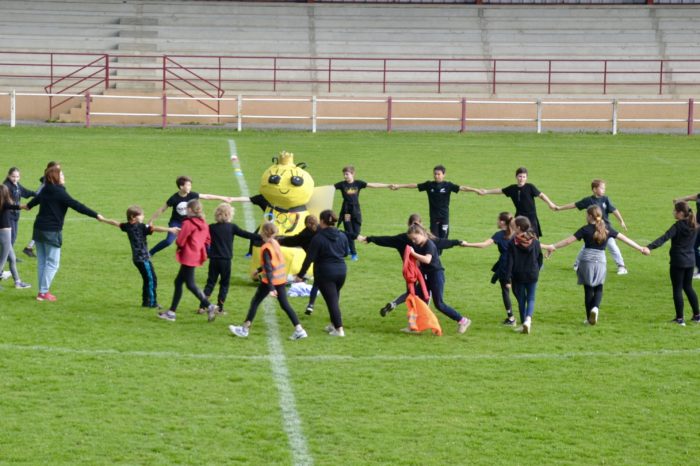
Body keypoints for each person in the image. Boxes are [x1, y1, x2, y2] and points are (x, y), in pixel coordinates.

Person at [544, 206, 648, 326]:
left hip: (586, 261)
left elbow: (568, 241)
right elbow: (624, 239)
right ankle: (596, 308)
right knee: (599, 287)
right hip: (601, 261)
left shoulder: (585, 229)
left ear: (589, 216)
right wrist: (640, 248)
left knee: (588, 289)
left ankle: (589, 318)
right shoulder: (607, 229)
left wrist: (553, 246)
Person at [358, 213, 463, 316]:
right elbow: (443, 242)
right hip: (419, 272)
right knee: (416, 296)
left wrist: (370, 239)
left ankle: (405, 311)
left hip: (414, 272)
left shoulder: (422, 241)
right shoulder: (420, 239)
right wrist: (458, 242)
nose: (413, 241)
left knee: (415, 295)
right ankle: (416, 322)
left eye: (414, 239)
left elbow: (386, 240)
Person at [25, 165, 103, 302]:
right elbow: (77, 205)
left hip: (38, 230)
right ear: (55, 178)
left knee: (42, 262)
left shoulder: (45, 190)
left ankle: (42, 292)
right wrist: (96, 215)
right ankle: (43, 292)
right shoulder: (60, 192)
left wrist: (22, 206)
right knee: (53, 263)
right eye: (61, 175)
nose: (64, 177)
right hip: (51, 231)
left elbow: (32, 203)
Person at [229, 222, 308, 340]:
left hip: (270, 281)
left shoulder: (266, 248)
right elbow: (272, 262)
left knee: (255, 302)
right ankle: (299, 330)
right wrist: (259, 270)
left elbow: (269, 267)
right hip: (281, 279)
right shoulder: (275, 243)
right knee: (285, 305)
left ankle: (245, 329)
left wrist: (271, 287)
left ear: (263, 233)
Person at [99, 205, 180, 309]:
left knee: (148, 279)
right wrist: (170, 229)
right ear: (133, 217)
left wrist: (103, 219)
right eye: (141, 215)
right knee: (151, 279)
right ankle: (152, 303)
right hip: (143, 259)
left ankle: (146, 302)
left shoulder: (127, 226)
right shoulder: (141, 227)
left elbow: (115, 223)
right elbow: (156, 229)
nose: (143, 216)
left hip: (137, 259)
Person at [157, 199, 218, 322]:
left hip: (188, 255)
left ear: (190, 210)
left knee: (190, 284)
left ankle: (209, 305)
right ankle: (171, 312)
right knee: (178, 282)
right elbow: (207, 240)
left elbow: (180, 240)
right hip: (196, 254)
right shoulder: (204, 224)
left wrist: (179, 246)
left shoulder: (188, 223)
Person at [148, 176, 239, 257]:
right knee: (168, 241)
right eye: (188, 185)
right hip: (176, 223)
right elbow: (162, 209)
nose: (190, 187)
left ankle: (209, 252)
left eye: (190, 185)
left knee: (202, 236)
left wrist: (222, 198)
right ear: (181, 187)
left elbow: (207, 196)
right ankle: (150, 252)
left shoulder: (192, 195)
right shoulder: (174, 198)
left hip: (190, 222)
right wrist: (150, 221)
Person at [406, 223, 472, 334]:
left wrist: (412, 254)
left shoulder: (429, 244)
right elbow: (418, 262)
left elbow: (427, 260)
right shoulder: (418, 245)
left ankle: (463, 320)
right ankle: (413, 326)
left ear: (421, 234)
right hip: (425, 277)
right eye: (412, 239)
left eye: (415, 238)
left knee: (439, 304)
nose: (413, 241)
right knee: (415, 298)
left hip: (436, 275)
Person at [556, 179, 629, 275]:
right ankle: (577, 264)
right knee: (586, 247)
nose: (604, 190)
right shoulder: (588, 200)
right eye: (602, 188)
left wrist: (621, 221)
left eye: (604, 188)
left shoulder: (605, 199)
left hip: (605, 229)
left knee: (612, 246)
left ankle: (621, 266)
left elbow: (614, 210)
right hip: (593, 229)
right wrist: (559, 208)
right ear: (594, 189)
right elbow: (574, 205)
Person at [200, 203, 261, 316]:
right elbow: (246, 235)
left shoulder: (211, 227)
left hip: (213, 260)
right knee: (224, 284)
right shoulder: (232, 227)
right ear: (229, 215)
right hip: (226, 260)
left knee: (210, 282)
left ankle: (202, 307)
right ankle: (220, 308)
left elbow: (201, 237)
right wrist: (262, 237)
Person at [296, 210, 349, 337]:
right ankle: (333, 324)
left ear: (322, 221)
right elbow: (346, 253)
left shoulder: (318, 238)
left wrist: (300, 275)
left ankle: (339, 329)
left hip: (325, 272)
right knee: (334, 298)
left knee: (332, 301)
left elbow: (309, 258)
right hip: (341, 271)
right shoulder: (342, 235)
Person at [391, 165, 480, 240]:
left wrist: (476, 190)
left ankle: (437, 256)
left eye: (439, 174)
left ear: (444, 175)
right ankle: (434, 256)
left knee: (444, 239)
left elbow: (462, 188)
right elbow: (415, 185)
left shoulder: (448, 185)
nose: (436, 176)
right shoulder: (429, 185)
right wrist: (400, 186)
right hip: (434, 217)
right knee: (434, 238)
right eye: (435, 174)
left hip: (444, 216)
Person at [646, 201, 700, 326]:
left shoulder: (677, 226)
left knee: (677, 289)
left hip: (678, 261)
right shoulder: (694, 226)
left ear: (681, 213)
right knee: (688, 287)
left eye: (674, 211)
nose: (673, 212)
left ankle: (680, 319)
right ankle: (697, 315)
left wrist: (649, 247)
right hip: (690, 261)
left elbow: (664, 238)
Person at [461, 212, 516, 325]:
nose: (497, 222)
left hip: (505, 267)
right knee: (519, 291)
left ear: (502, 222)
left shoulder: (499, 235)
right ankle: (526, 317)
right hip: (518, 266)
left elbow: (484, 245)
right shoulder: (517, 233)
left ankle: (511, 318)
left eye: (498, 220)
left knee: (506, 291)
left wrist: (467, 244)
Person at [333, 165, 392, 261]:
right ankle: (353, 253)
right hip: (347, 213)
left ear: (353, 174)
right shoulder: (342, 185)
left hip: (356, 211)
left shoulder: (358, 183)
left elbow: (373, 185)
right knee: (350, 232)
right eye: (344, 174)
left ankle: (346, 247)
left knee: (356, 232)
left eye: (347, 174)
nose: (345, 176)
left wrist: (387, 185)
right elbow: (329, 188)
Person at [477, 167, 557, 237]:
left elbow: (541, 195)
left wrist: (550, 203)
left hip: (531, 218)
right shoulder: (512, 188)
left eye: (524, 177)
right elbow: (500, 190)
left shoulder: (530, 187)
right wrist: (486, 191)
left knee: (533, 239)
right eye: (520, 176)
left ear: (526, 178)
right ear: (516, 177)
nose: (521, 178)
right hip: (519, 216)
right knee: (516, 237)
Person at [505, 216, 544, 334]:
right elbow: (540, 257)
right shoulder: (535, 240)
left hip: (519, 275)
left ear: (518, 228)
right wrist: (537, 268)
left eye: (514, 225)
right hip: (533, 273)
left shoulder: (513, 242)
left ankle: (523, 324)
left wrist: (507, 279)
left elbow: (509, 262)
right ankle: (528, 320)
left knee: (522, 300)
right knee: (531, 298)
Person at [279, 214, 319, 315]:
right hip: (334, 261)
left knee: (317, 284)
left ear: (305, 224)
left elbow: (293, 240)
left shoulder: (305, 234)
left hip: (320, 262)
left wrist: (279, 241)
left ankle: (311, 305)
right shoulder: (323, 230)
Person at [22, 161, 59, 258]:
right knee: (43, 229)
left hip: (47, 205)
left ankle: (30, 247)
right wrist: (31, 204)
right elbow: (38, 193)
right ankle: (30, 247)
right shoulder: (47, 180)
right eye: (57, 168)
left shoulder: (50, 179)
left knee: (42, 229)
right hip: (45, 206)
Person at [0, 184, 31, 289]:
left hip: (3, 234)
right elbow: (13, 206)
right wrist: (24, 206)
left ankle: (17, 282)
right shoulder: (4, 204)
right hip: (5, 233)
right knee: (3, 260)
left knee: (12, 258)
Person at [4, 167, 36, 248]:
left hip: (15, 215)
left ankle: (9, 256)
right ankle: (8, 257)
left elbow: (25, 192)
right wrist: (21, 206)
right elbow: (6, 204)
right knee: (11, 237)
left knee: (13, 237)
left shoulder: (16, 185)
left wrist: (37, 194)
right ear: (8, 176)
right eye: (13, 176)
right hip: (8, 216)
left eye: (17, 177)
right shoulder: (6, 186)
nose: (15, 179)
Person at [673, 193, 700, 279]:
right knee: (693, 246)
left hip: (698, 227)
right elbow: (692, 197)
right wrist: (680, 199)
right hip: (697, 226)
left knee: (693, 247)